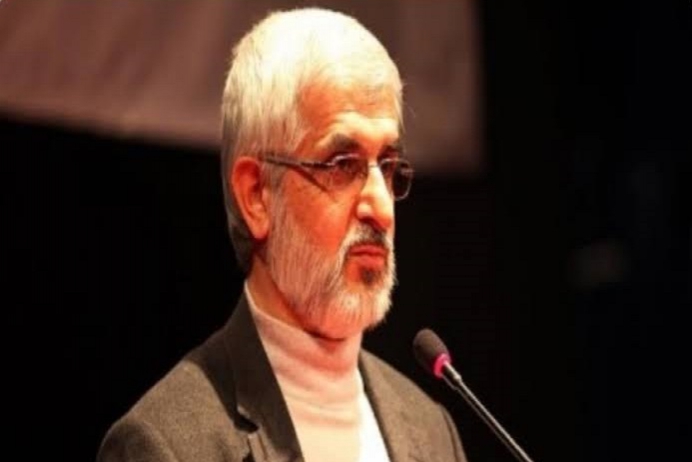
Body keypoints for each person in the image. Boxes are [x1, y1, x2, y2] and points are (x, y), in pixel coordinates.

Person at [97, 7, 467, 462]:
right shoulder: (166, 445)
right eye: (342, 165)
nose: (381, 207)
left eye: (387, 166)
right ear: (256, 195)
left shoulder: (432, 429)